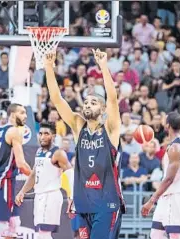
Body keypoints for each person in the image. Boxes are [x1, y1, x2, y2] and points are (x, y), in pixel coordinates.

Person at [44, 49, 124, 239]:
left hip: (106, 203)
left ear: (102, 109)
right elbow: (57, 99)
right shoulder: (78, 126)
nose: (88, 105)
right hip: (83, 202)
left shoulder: (111, 129)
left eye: (94, 102)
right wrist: (48, 66)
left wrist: (103, 66)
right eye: (86, 102)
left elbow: (112, 100)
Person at [15, 122, 74, 239]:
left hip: (50, 196)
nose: (42, 136)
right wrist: (22, 191)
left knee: (43, 234)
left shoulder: (58, 153)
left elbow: (71, 174)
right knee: (41, 234)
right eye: (40, 133)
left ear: (53, 136)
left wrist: (72, 197)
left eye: (46, 134)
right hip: (40, 196)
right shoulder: (39, 151)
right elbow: (33, 174)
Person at [141, 112, 180, 239]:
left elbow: (169, 179)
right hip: (167, 195)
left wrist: (151, 201)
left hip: (175, 195)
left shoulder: (176, 147)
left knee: (175, 235)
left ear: (167, 125)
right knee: (156, 233)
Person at [0, 103, 32, 239]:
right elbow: (21, 163)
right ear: (12, 114)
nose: (25, 116)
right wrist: (35, 178)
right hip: (3, 180)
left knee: (14, 222)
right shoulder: (14, 131)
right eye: (22, 112)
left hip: (0, 178)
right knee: (2, 225)